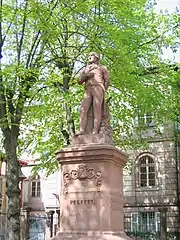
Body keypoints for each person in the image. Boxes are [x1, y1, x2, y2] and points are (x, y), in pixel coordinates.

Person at [76, 52, 110, 135]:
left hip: (98, 87)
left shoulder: (101, 68)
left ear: (96, 58)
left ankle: (95, 130)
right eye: (89, 56)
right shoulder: (86, 68)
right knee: (83, 109)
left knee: (97, 109)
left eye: (92, 56)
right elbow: (79, 81)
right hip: (88, 88)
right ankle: (82, 130)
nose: (89, 57)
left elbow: (107, 80)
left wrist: (103, 89)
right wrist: (86, 76)